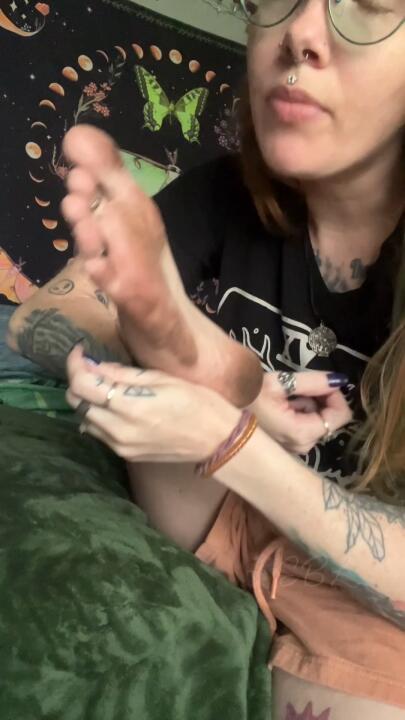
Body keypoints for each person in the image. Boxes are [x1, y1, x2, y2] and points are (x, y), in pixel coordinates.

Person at [7, 0, 405, 717]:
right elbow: (38, 322)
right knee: (164, 374)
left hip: (368, 583)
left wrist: (230, 434)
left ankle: (185, 355)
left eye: (369, 5)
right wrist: (231, 383)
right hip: (216, 511)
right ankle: (179, 347)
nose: (299, 34)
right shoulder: (225, 194)